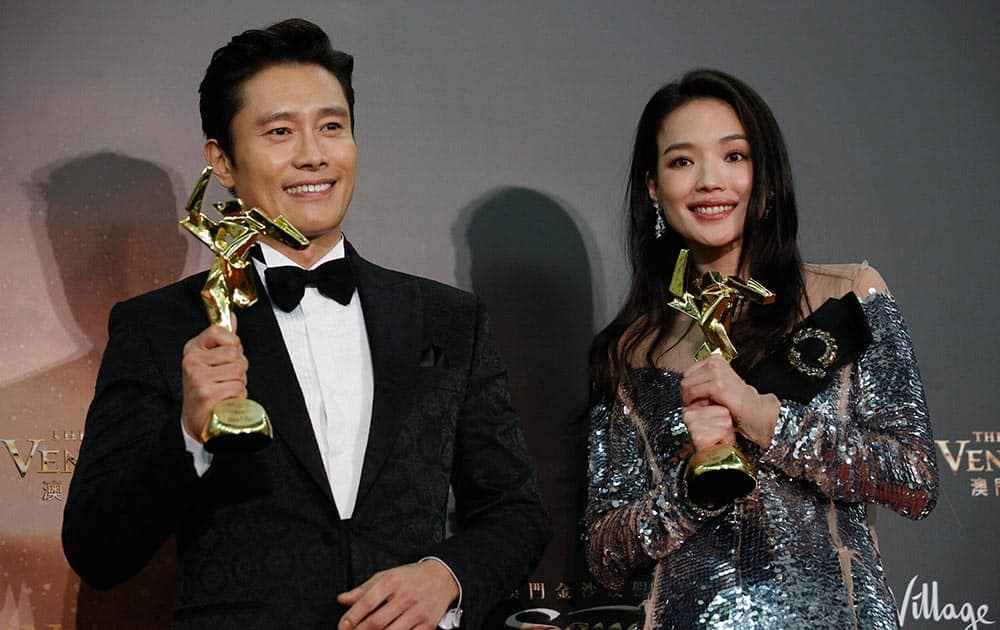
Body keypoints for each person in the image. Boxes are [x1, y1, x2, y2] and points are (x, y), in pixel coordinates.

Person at [62, 18, 550, 629]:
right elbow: (96, 550)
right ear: (223, 162)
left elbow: (516, 512)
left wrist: (444, 578)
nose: (313, 154)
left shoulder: (449, 320)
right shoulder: (161, 327)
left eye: (331, 126)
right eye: (279, 132)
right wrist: (188, 434)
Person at [584, 69, 937, 628]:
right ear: (653, 188)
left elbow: (915, 479)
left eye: (734, 156)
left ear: (765, 178)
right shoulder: (632, 350)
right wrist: (695, 483)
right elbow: (605, 552)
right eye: (682, 161)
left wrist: (764, 418)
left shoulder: (846, 296)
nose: (708, 181)